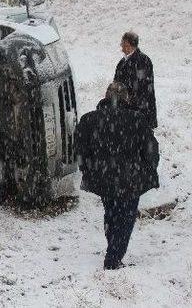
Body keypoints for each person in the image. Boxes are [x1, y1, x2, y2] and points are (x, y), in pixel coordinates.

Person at [74, 82, 160, 270]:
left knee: (111, 214)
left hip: (103, 178)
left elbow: (80, 149)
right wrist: (148, 168)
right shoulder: (137, 120)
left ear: (106, 97)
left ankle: (113, 249)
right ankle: (113, 258)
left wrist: (88, 169)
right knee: (126, 217)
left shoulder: (90, 120)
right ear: (126, 98)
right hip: (131, 179)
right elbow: (151, 150)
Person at [114, 31, 157, 128]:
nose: (122, 48)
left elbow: (142, 87)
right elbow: (117, 83)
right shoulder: (122, 62)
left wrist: (128, 100)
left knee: (139, 140)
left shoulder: (143, 61)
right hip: (126, 109)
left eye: (124, 44)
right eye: (122, 44)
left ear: (132, 45)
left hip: (139, 111)